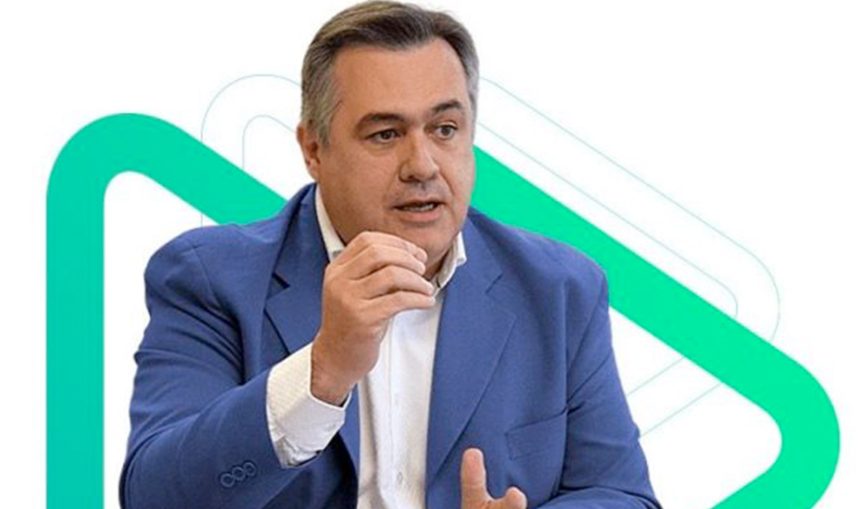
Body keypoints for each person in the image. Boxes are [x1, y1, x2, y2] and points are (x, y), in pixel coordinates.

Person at [120, 1, 660, 508]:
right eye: (385, 134)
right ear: (313, 149)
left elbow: (620, 494)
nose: (422, 165)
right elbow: (154, 496)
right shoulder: (208, 278)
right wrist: (321, 372)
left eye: (445, 129)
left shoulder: (560, 289)